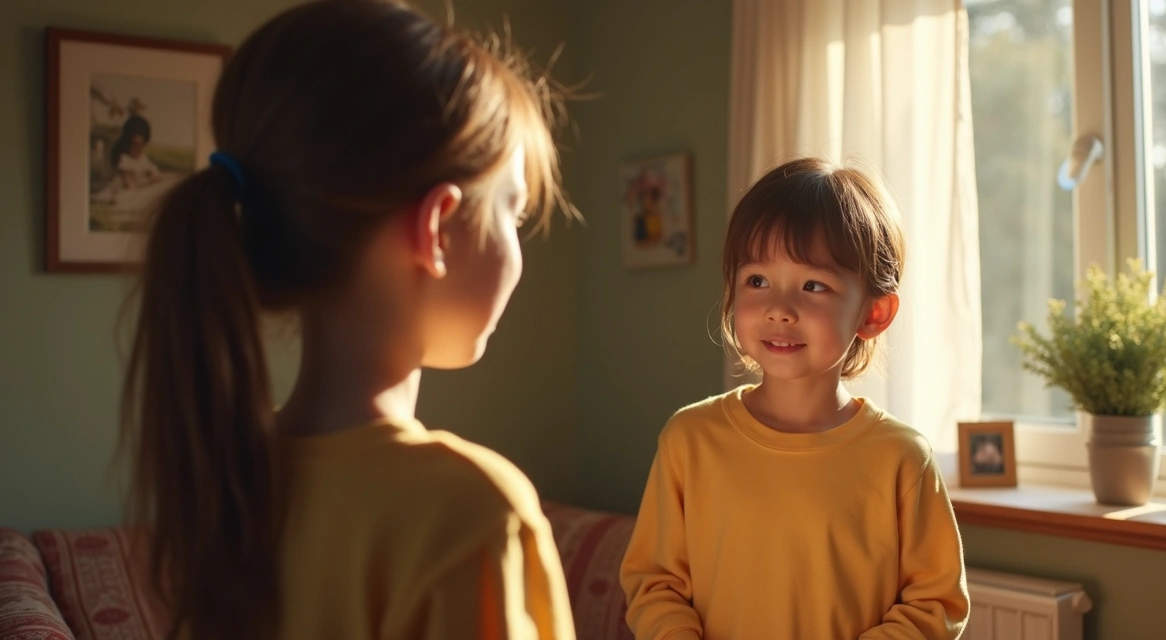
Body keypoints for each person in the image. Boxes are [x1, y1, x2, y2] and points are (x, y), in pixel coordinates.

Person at [120, 1, 575, 638]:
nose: (519, 247)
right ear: (438, 227)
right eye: (514, 215)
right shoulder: (470, 513)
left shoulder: (232, 479)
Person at [619, 157, 970, 639]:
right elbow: (653, 583)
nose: (779, 309)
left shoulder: (902, 459)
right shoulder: (689, 439)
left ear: (875, 312)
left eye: (813, 285)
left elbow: (937, 603)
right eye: (757, 281)